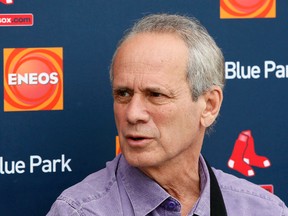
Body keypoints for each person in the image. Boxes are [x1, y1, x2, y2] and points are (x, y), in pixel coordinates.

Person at [47, 14, 288, 216]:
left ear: (209, 106)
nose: (132, 114)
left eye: (156, 94)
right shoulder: (79, 212)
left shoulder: (263, 209)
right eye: (123, 93)